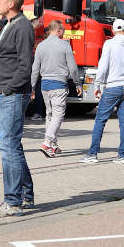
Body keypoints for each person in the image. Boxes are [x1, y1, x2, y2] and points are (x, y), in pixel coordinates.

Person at [0, 0, 35, 218]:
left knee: (8, 146)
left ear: (11, 4)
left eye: (0, 0)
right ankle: (25, 194)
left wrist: (8, 88)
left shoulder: (23, 27)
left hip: (13, 93)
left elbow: (26, 65)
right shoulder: (9, 25)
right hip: (6, 92)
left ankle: (12, 201)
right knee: (12, 144)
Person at [81, 19, 124, 165]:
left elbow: (102, 67)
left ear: (113, 30)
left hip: (112, 87)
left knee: (100, 120)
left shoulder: (109, 44)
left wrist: (97, 85)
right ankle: (122, 155)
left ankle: (92, 154)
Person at [31, 20, 80, 157]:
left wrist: (32, 87)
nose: (64, 31)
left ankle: (53, 146)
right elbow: (73, 68)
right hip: (59, 84)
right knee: (58, 115)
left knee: (50, 115)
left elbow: (35, 69)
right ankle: (47, 142)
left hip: (45, 85)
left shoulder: (40, 45)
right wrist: (77, 83)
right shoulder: (64, 45)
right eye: (63, 29)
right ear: (58, 30)